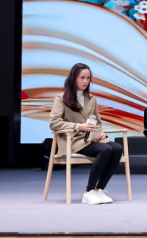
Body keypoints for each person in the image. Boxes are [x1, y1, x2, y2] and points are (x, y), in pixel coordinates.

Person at [48, 63, 123, 206]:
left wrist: (100, 132)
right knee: (106, 149)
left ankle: (99, 189)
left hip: (91, 138)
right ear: (73, 78)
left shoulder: (91, 98)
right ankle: (89, 192)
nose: (85, 81)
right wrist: (78, 126)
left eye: (88, 78)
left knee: (117, 148)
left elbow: (98, 122)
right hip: (73, 139)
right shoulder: (61, 98)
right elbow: (54, 123)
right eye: (82, 77)